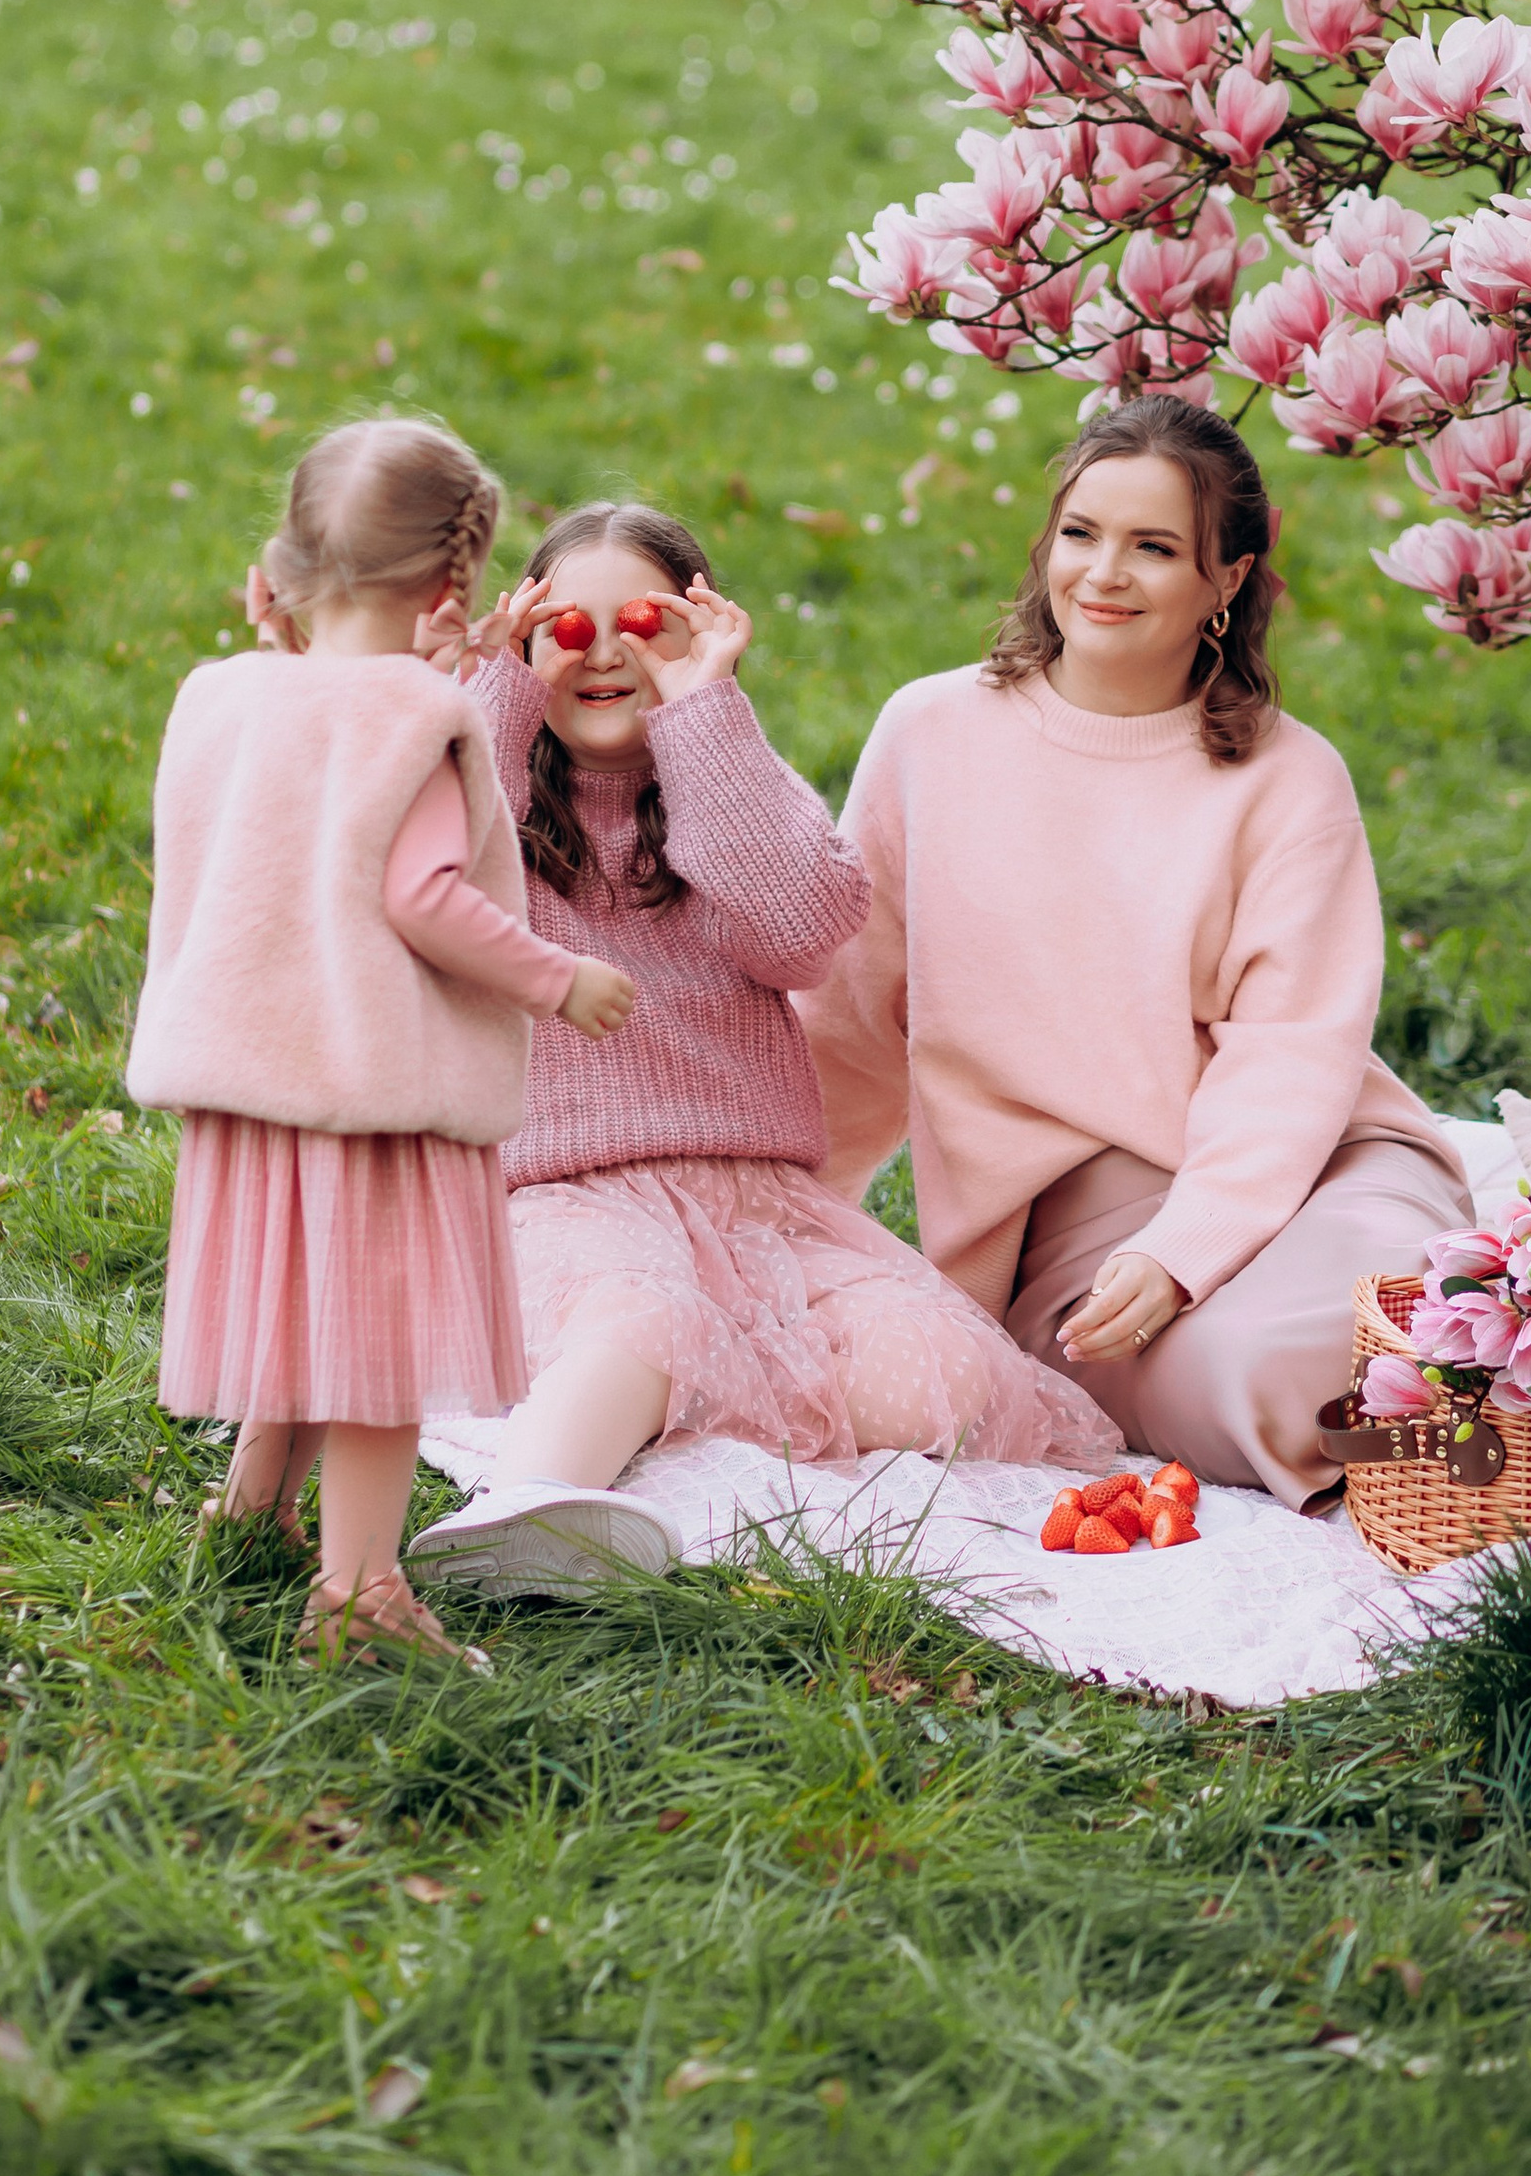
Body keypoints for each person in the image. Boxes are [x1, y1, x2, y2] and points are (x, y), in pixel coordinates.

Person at [406, 498, 1115, 1593]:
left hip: (760, 1206)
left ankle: (685, 1420)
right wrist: (496, 694)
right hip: (558, 1196)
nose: (605, 656)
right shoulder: (484, 794)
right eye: (569, 630)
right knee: (640, 1321)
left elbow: (797, 935)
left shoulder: (727, 776)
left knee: (940, 1375)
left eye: (644, 627)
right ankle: (523, 1512)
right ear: (524, 636)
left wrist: (705, 721)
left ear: (699, 634)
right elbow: (449, 887)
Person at [803, 397, 1474, 1507]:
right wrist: (780, 1222)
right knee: (1250, 1376)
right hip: (1073, 1232)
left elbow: (1292, 1055)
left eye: (1154, 547)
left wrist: (1189, 1250)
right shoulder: (929, 735)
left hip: (1311, 1164)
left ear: (1227, 580)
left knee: (1369, 1324)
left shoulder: (1288, 779)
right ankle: (1470, 1454)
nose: (1103, 574)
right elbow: (848, 1013)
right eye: (1081, 533)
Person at [126, 414, 658, 1664]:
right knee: (376, 1352)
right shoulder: (418, 721)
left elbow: (302, 774)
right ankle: (360, 1592)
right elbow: (421, 896)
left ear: (274, 579)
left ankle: (250, 1513)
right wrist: (556, 977)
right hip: (376, 1089)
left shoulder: (229, 695)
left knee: (295, 1318)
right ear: (454, 587)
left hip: (254, 1080)